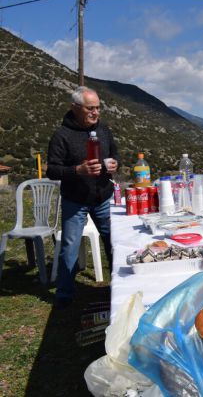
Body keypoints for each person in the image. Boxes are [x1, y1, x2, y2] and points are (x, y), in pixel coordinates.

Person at [47, 86, 119, 309]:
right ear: (75, 107)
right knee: (70, 246)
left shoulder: (104, 130)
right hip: (75, 200)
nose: (95, 113)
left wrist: (115, 164)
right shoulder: (62, 135)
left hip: (102, 198)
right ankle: (65, 294)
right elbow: (52, 170)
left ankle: (117, 287)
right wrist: (78, 170)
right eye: (90, 108)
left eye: (98, 108)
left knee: (113, 243)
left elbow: (115, 154)